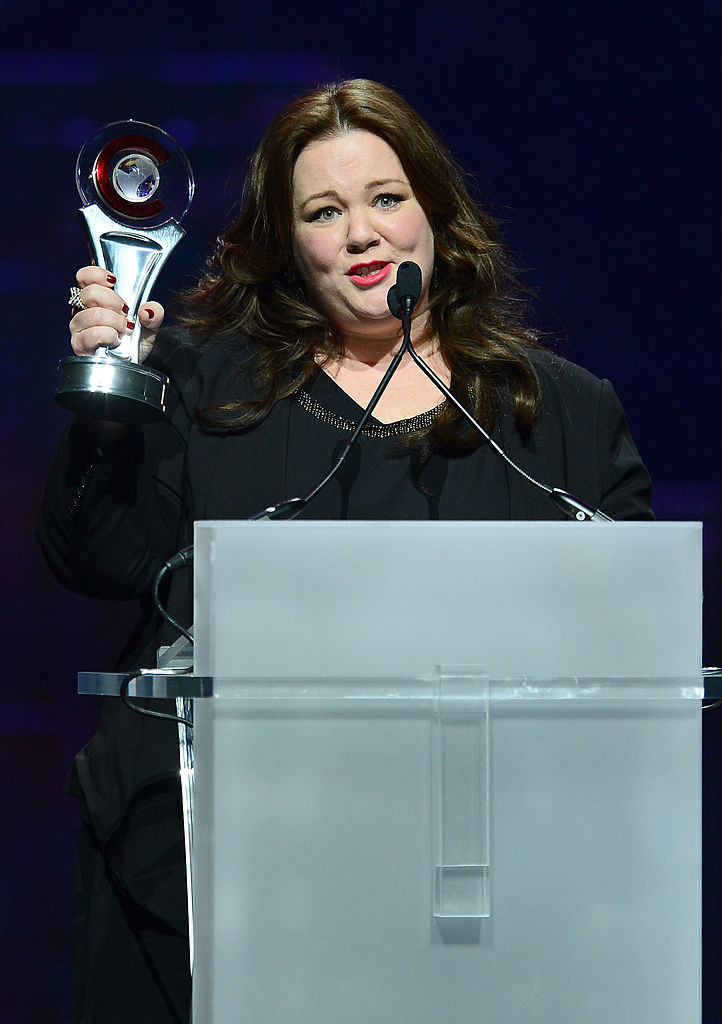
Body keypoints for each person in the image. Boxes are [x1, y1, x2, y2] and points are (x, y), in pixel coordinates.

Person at [38, 78, 653, 1024]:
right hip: (217, 895)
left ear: (437, 214)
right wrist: (110, 408)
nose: (362, 234)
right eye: (324, 212)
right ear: (290, 247)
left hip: (491, 909)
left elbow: (635, 662)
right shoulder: (212, 391)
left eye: (386, 199)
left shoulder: (558, 415)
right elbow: (99, 561)